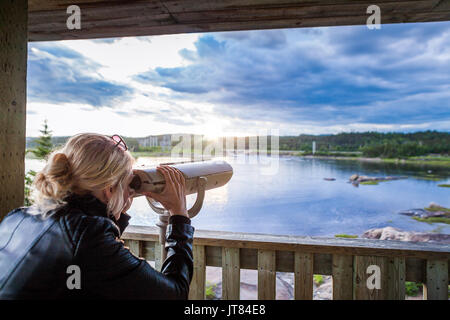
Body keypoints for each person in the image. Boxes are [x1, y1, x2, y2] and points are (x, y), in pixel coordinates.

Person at [0, 133, 194, 299]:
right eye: (130, 184)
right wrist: (179, 216)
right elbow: (175, 293)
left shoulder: (18, 216)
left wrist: (118, 210)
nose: (131, 192)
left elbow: (91, 272)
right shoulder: (88, 236)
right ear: (109, 188)